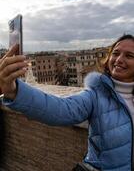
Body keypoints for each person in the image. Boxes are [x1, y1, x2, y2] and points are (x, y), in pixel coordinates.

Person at [0, 34, 134, 171]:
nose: (119, 59)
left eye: (129, 56)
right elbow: (61, 109)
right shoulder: (95, 95)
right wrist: (15, 92)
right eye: (116, 53)